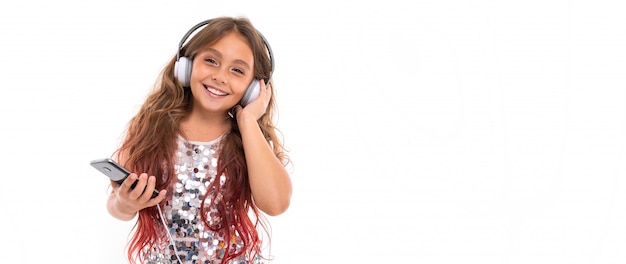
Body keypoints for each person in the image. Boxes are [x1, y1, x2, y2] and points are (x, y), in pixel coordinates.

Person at [105, 16, 292, 264]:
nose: (220, 76)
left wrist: (247, 122)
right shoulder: (152, 128)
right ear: (186, 66)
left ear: (253, 89)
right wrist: (125, 203)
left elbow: (276, 203)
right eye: (211, 61)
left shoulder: (249, 140)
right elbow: (115, 206)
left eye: (237, 70)